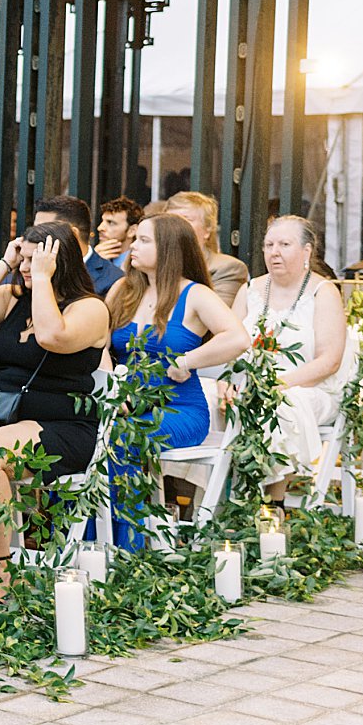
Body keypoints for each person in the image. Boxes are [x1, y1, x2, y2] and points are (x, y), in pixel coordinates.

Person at [0, 224, 111, 574]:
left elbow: (54, 337)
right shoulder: (13, 299)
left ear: (59, 260)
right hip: (2, 420)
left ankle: (1, 567)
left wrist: (41, 279)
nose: (26, 265)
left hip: (61, 427)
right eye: (23, 256)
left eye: (33, 258)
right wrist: (5, 263)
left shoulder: (91, 308)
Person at [105, 214, 251, 548]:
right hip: (125, 405)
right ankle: (93, 544)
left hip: (179, 409)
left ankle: (129, 550)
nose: (133, 246)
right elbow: (100, 345)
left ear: (169, 248)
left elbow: (238, 338)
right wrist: (113, 391)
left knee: (122, 439)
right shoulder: (123, 290)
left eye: (144, 240)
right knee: (92, 436)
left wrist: (188, 360)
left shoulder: (195, 294)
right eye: (135, 239)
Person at [231, 215, 355, 479]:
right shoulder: (249, 290)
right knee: (208, 398)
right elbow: (229, 345)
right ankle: (210, 499)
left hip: (309, 389)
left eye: (285, 245)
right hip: (250, 386)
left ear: (306, 251)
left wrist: (275, 386)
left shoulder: (323, 292)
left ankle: (270, 500)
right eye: (269, 245)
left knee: (279, 406)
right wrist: (226, 382)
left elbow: (329, 361)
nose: (274, 252)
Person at [166, 190, 251, 304]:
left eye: (186, 220)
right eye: (169, 220)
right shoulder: (151, 263)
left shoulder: (228, 268)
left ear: (207, 229)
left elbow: (215, 317)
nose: (176, 227)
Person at [35, 194, 120, 296]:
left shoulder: (112, 281)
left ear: (72, 234)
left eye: (44, 230)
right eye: (35, 230)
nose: (35, 237)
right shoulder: (28, 268)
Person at [96, 197, 142, 273]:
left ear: (132, 231)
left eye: (110, 223)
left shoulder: (140, 265)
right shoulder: (96, 256)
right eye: (102, 221)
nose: (100, 228)